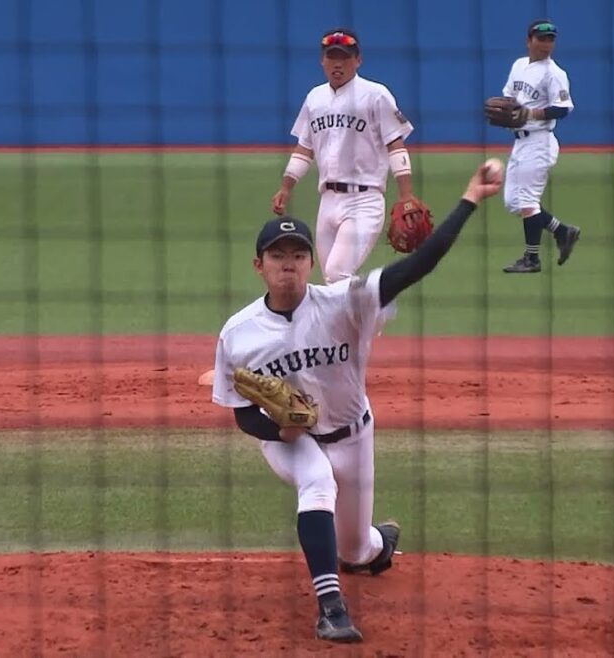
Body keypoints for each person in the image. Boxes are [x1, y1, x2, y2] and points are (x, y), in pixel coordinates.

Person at [211, 160, 504, 643]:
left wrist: (469, 199)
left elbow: (418, 265)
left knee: (356, 547)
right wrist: (276, 430)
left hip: (353, 434)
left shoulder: (346, 301)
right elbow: (242, 413)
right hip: (291, 440)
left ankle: (377, 545)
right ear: (258, 264)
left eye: (298, 254)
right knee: (316, 482)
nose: (289, 262)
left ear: (311, 262)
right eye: (277, 254)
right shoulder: (238, 334)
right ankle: (331, 609)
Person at [271, 27, 422, 285]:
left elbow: (395, 145)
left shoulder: (376, 95)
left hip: (364, 201)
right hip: (327, 202)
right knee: (332, 284)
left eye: (345, 57)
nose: (337, 64)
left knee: (337, 274)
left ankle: (376, 309)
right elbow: (304, 148)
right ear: (322, 60)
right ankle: (369, 326)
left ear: (358, 60)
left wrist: (406, 194)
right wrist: (286, 187)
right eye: (332, 57)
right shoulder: (315, 98)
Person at [497, 19, 582, 274]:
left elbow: (563, 109)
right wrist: (506, 112)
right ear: (529, 40)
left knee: (527, 200)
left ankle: (531, 259)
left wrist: (529, 114)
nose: (546, 44)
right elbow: (509, 98)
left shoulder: (554, 73)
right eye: (541, 38)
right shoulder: (519, 66)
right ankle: (563, 231)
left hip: (540, 141)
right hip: (520, 143)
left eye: (550, 39)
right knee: (514, 202)